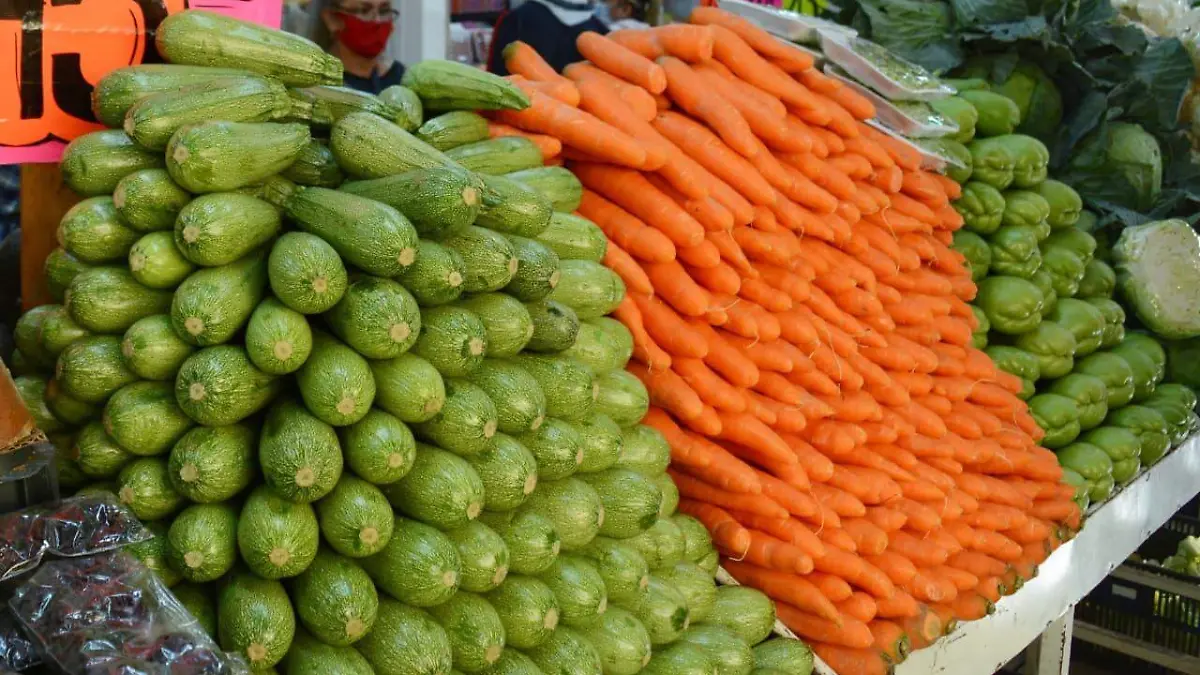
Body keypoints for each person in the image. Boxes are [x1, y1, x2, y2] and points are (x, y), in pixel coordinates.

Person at [487, 0, 609, 76]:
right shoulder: (600, 29)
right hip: (587, 116)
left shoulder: (517, 19)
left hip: (520, 112)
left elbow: (495, 80)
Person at [308, 0, 404, 94]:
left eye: (384, 11)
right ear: (332, 19)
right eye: (364, 10)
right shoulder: (315, 85)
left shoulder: (403, 80)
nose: (377, 21)